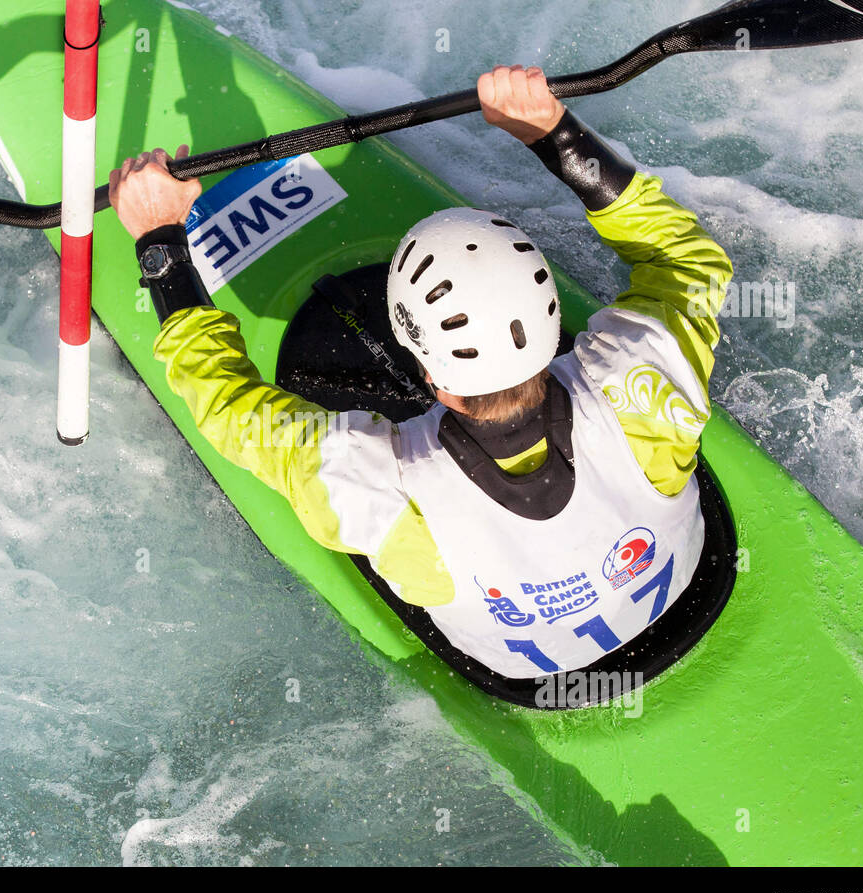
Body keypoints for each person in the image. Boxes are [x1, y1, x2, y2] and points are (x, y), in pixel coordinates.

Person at [107, 65, 732, 685]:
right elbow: (690, 262)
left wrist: (161, 242)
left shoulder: (377, 489)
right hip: (685, 577)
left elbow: (227, 411)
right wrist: (554, 132)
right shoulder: (644, 381)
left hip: (516, 665)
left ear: (431, 380)